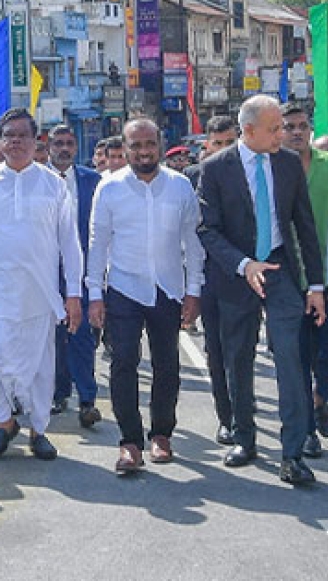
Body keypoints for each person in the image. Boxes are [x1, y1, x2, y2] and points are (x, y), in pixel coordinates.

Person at [197, 95, 326, 486]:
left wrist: (315, 285)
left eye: (283, 128)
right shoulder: (216, 169)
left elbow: (304, 225)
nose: (282, 135)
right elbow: (207, 229)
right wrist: (243, 264)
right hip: (237, 275)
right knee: (238, 359)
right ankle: (244, 437)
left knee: (289, 360)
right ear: (248, 130)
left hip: (282, 271)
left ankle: (293, 452)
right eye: (274, 129)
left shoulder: (287, 164)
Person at [0, 108, 84, 461]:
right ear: (0, 141)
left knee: (41, 366)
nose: (15, 141)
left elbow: (69, 244)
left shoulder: (53, 185)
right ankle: (4, 421)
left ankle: (39, 429)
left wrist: (73, 293)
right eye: (8, 135)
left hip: (40, 293)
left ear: (36, 141)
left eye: (22, 135)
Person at [90, 119, 203, 474]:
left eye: (149, 144)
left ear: (159, 144)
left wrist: (193, 290)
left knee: (167, 364)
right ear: (124, 149)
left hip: (168, 288)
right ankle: (129, 442)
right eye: (135, 145)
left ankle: (162, 434)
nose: (143, 151)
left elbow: (194, 243)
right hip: (123, 287)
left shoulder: (180, 187)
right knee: (123, 362)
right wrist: (95, 292)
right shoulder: (108, 189)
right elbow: (97, 244)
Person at [281, 102, 328, 458]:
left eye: (302, 126)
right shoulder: (272, 169)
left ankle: (321, 397)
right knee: (298, 357)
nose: (296, 132)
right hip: (290, 280)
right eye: (288, 126)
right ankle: (307, 431)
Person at [44, 123, 103, 429]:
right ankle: (58, 392)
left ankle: (88, 399)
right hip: (45, 270)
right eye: (58, 142)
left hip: (80, 269)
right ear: (48, 145)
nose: (64, 148)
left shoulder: (92, 180)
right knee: (54, 335)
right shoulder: (37, 179)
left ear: (76, 147)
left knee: (81, 335)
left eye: (69, 143)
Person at [184, 114, 238, 445]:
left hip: (244, 272)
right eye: (216, 144)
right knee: (216, 350)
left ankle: (244, 409)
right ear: (207, 145)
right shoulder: (190, 177)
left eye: (229, 143)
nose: (222, 150)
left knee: (242, 351)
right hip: (207, 275)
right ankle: (227, 417)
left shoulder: (253, 172)